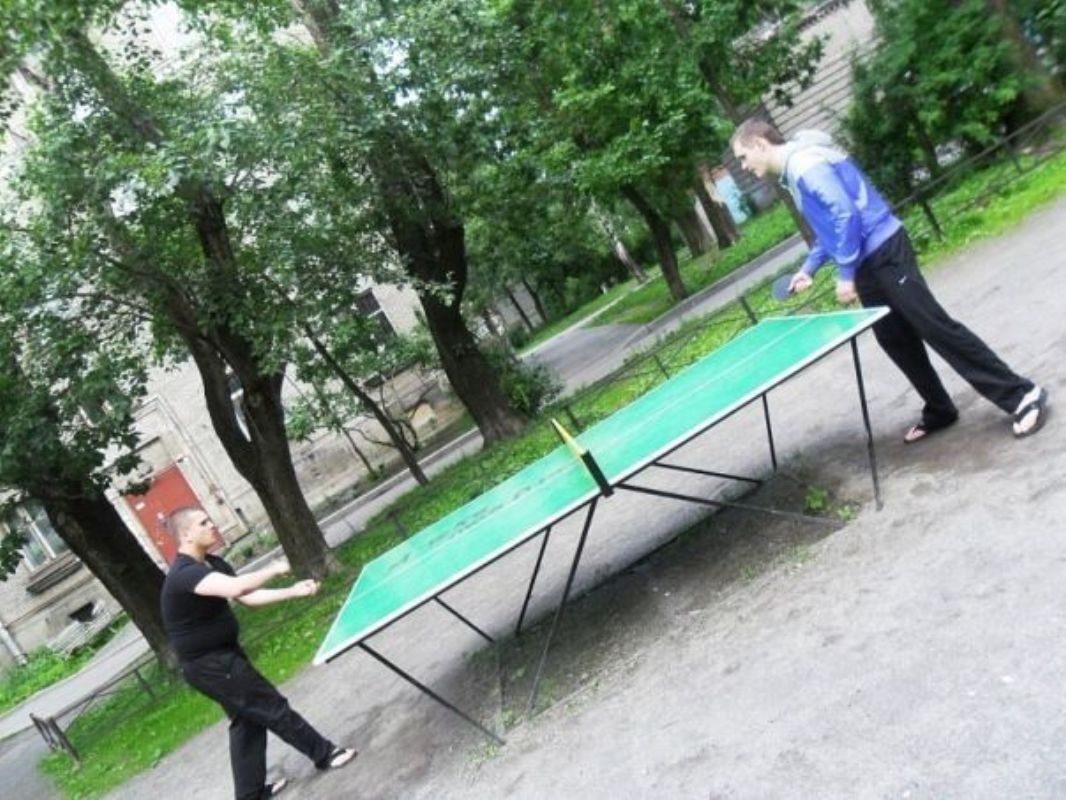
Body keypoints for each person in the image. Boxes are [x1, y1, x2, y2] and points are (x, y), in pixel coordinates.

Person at [730, 119, 1049, 443]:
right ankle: (940, 408)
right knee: (895, 339)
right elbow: (829, 227)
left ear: (760, 144)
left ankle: (1022, 395)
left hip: (884, 251)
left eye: (743, 157)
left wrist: (845, 275)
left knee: (935, 327)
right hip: (867, 262)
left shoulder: (804, 164)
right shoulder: (793, 173)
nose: (743, 166)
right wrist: (808, 269)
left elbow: (845, 215)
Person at [160, 507, 356, 800]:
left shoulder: (213, 563)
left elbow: (248, 597)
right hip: (210, 665)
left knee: (247, 721)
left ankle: (250, 795)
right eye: (203, 522)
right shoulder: (185, 574)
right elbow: (237, 587)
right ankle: (325, 754)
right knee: (271, 706)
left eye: (209, 519)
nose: (212, 525)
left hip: (221, 657)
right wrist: (273, 569)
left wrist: (292, 591)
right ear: (186, 534)